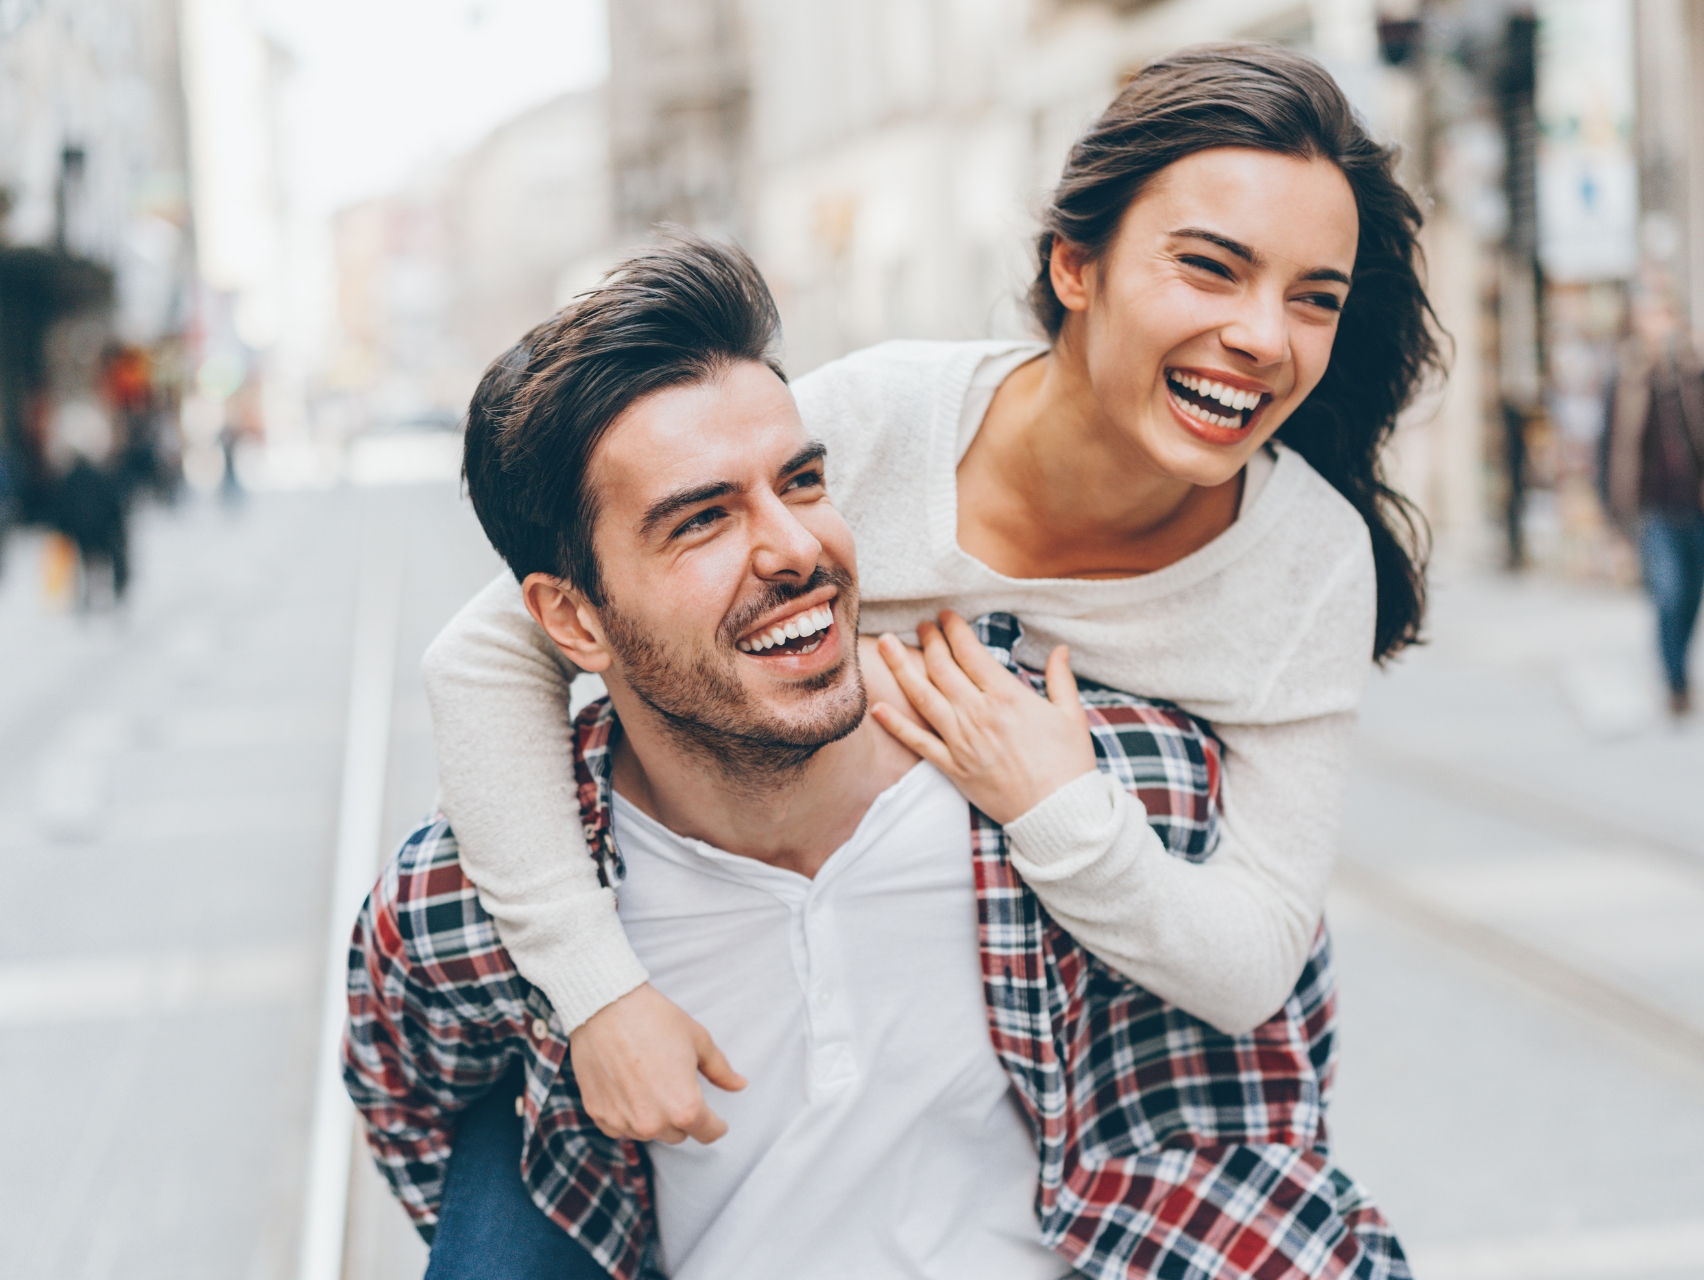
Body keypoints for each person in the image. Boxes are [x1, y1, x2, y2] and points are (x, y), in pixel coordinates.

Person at [419, 41, 1440, 1152]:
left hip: (1066, 1063)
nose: (1264, 337)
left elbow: (1255, 961)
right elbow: (489, 652)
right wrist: (597, 990)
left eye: (1314, 299)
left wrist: (1058, 806)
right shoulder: (873, 426)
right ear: (1076, 268)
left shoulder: (1309, 561)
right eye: (1209, 268)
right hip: (714, 956)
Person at [344, 235, 1408, 1278]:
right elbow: (411, 1111)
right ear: (572, 621)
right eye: (703, 519)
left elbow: (1269, 1098)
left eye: (804, 481)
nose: (795, 547)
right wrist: (593, 994)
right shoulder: (472, 899)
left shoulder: (1120, 790)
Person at [1602, 291, 1704, 717]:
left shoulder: (1693, 371)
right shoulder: (1626, 377)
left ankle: (1677, 668)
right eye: (1649, 316)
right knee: (1669, 593)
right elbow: (1610, 448)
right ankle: (1675, 680)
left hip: (1695, 505)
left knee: (1692, 595)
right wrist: (1615, 518)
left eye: (1664, 314)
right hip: (1653, 507)